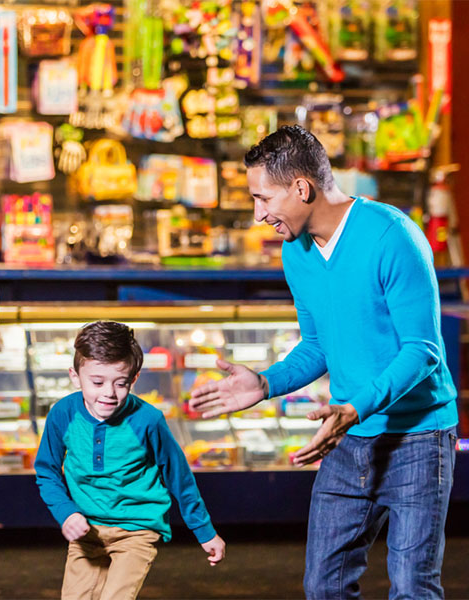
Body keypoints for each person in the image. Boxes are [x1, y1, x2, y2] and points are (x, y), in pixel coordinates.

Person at [190, 125, 458, 599]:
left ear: (301, 188)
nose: (258, 215)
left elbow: (423, 349)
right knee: (324, 585)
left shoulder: (392, 236)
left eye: (263, 199)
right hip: (348, 436)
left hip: (418, 438)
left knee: (413, 587)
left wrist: (357, 407)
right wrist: (266, 383)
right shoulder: (296, 251)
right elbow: (317, 344)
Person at [36, 321, 226, 600]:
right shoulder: (63, 413)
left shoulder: (148, 420)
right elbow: (47, 472)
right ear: (75, 376)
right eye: (97, 382)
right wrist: (66, 512)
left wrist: (205, 530)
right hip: (86, 530)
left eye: (121, 383)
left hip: (137, 530)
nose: (109, 393)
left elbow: (178, 476)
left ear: (134, 379)